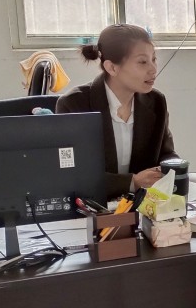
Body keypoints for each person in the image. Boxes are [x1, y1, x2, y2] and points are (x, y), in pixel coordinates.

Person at [56, 24, 178, 199]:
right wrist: (132, 182)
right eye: (143, 62)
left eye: (154, 59)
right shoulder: (74, 105)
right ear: (112, 68)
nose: (153, 69)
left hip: (143, 205)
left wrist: (171, 169)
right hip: (92, 206)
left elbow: (167, 153)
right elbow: (71, 173)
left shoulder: (156, 101)